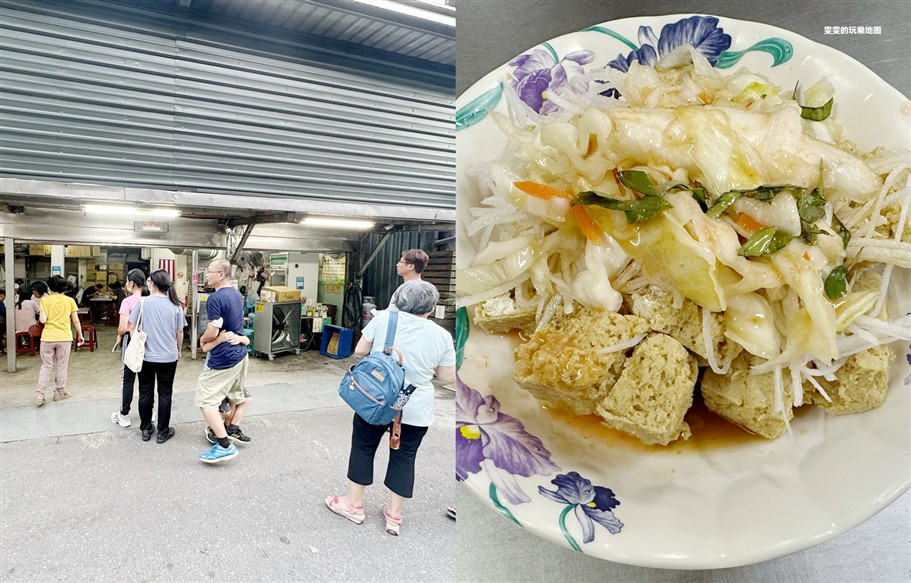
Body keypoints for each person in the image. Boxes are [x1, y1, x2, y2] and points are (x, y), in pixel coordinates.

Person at [326, 280, 456, 536]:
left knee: (363, 448)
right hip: (415, 405)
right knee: (405, 457)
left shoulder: (385, 319)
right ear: (430, 307)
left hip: (376, 401)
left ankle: (354, 505)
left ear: (401, 301)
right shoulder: (441, 335)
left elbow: (360, 350)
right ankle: (394, 515)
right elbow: (446, 376)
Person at [196, 259, 251, 463]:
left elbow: (213, 330)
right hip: (240, 352)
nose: (206, 275)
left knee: (205, 400)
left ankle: (223, 444)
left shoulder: (215, 298)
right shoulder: (237, 295)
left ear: (221, 274)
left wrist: (203, 339)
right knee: (236, 396)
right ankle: (231, 428)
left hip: (224, 356)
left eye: (209, 272)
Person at [128, 269, 185, 444]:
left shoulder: (143, 303)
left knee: (145, 393)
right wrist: (179, 350)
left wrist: (137, 343)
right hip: (168, 357)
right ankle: (162, 432)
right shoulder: (176, 305)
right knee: (165, 394)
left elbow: (131, 327)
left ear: (151, 283)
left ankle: (145, 429)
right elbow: (180, 331)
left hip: (146, 356)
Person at [35, 275, 84, 407]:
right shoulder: (70, 301)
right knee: (62, 366)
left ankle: (40, 395)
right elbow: (75, 320)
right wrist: (80, 334)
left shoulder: (44, 301)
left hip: (47, 338)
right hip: (64, 337)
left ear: (49, 287)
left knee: (46, 366)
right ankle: (59, 393)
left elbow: (43, 320)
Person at [110, 269, 148, 428]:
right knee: (146, 380)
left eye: (127, 281)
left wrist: (119, 336)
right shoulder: (150, 300)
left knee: (128, 379)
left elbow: (122, 327)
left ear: (131, 283)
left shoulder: (127, 301)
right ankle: (149, 413)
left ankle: (124, 415)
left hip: (131, 340)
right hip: (147, 341)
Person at [200, 332, 252, 445]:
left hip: (233, 378)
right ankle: (214, 428)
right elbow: (204, 347)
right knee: (226, 411)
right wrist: (220, 339)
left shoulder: (234, 329)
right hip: (219, 379)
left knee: (246, 398)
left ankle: (231, 428)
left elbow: (247, 340)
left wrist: (239, 338)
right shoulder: (215, 333)